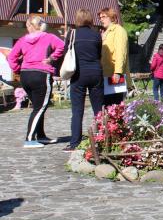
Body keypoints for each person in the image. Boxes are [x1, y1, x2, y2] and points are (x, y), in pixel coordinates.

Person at [8, 16, 64, 148]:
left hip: (25, 75)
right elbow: (62, 46)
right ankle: (29, 138)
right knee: (40, 107)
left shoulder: (22, 40)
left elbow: (11, 57)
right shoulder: (49, 37)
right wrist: (51, 58)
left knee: (38, 106)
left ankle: (41, 136)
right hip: (41, 74)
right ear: (41, 26)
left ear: (29, 27)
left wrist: (17, 69)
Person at [64, 9, 104, 152]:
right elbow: (99, 54)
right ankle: (102, 139)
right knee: (98, 109)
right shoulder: (96, 35)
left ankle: (74, 142)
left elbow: (65, 53)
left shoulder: (72, 34)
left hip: (78, 74)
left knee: (77, 110)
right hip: (95, 73)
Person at [99, 7, 130, 106]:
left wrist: (118, 72)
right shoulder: (105, 32)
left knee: (115, 107)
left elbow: (120, 52)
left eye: (104, 17)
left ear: (112, 17)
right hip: (105, 74)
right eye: (100, 17)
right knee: (107, 106)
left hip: (114, 74)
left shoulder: (119, 31)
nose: (101, 19)